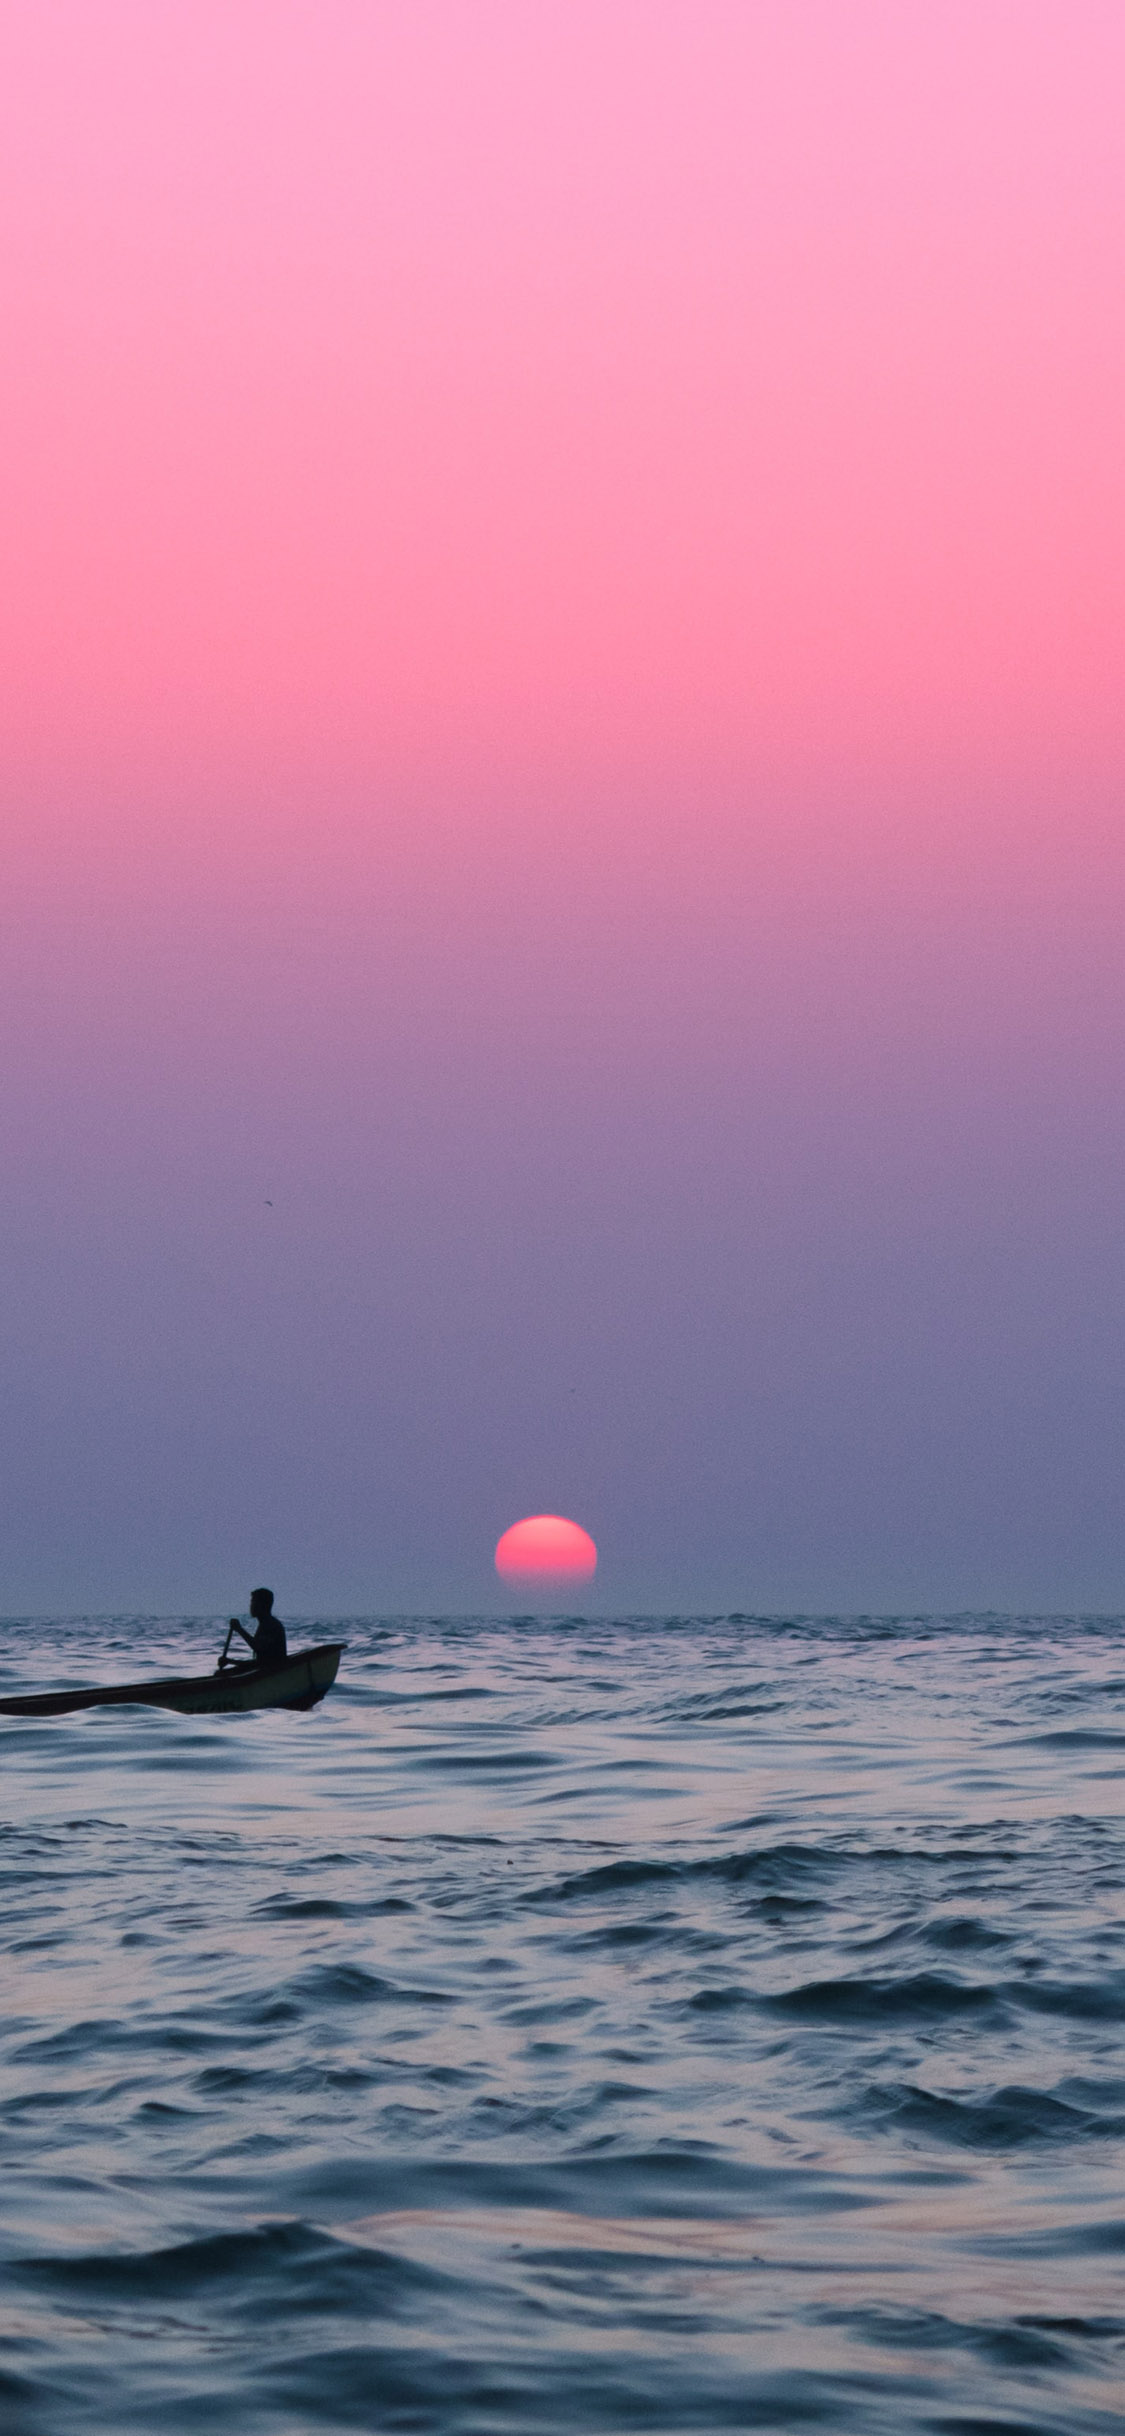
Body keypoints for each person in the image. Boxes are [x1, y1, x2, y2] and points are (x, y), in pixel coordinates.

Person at [224, 1588, 288, 1672]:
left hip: (270, 1672)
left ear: (262, 1605)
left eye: (253, 1602)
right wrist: (230, 1661)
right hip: (265, 1669)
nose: (251, 1605)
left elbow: (258, 1647)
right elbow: (261, 1660)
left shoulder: (271, 1625)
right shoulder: (265, 1624)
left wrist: (239, 1629)